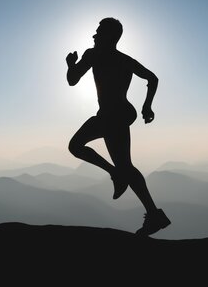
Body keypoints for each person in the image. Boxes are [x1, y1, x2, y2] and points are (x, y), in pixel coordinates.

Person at [66, 17, 171, 236]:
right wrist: (147, 107)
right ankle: (152, 212)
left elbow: (72, 79)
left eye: (98, 32)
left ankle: (121, 179)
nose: (94, 35)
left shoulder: (93, 54)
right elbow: (152, 78)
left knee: (81, 148)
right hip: (118, 115)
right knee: (123, 165)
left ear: (109, 36)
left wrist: (70, 65)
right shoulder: (124, 60)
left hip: (110, 118)